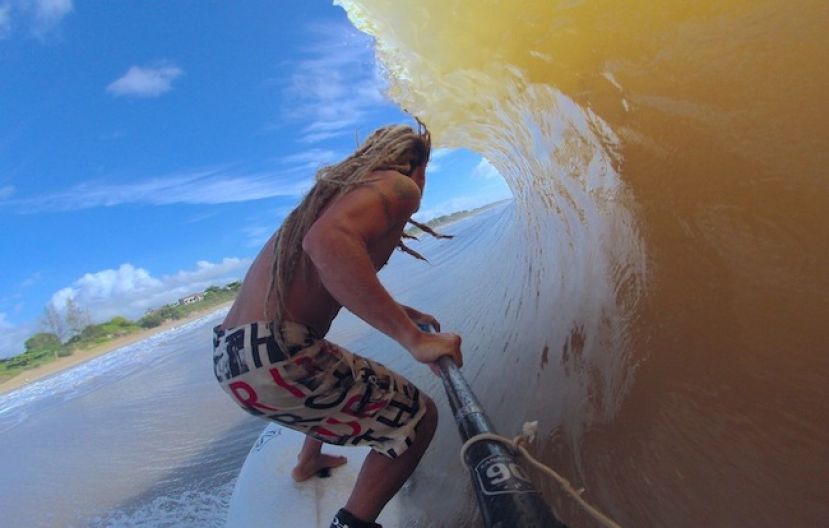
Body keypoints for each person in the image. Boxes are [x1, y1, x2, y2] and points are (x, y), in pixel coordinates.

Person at [212, 123, 463, 528]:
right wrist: (413, 339)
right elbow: (327, 243)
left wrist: (400, 311)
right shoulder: (398, 185)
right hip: (277, 353)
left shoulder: (326, 200)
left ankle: (307, 461)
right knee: (415, 420)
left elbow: (326, 274)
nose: (423, 184)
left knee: (336, 374)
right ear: (414, 165)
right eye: (426, 172)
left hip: (233, 358)